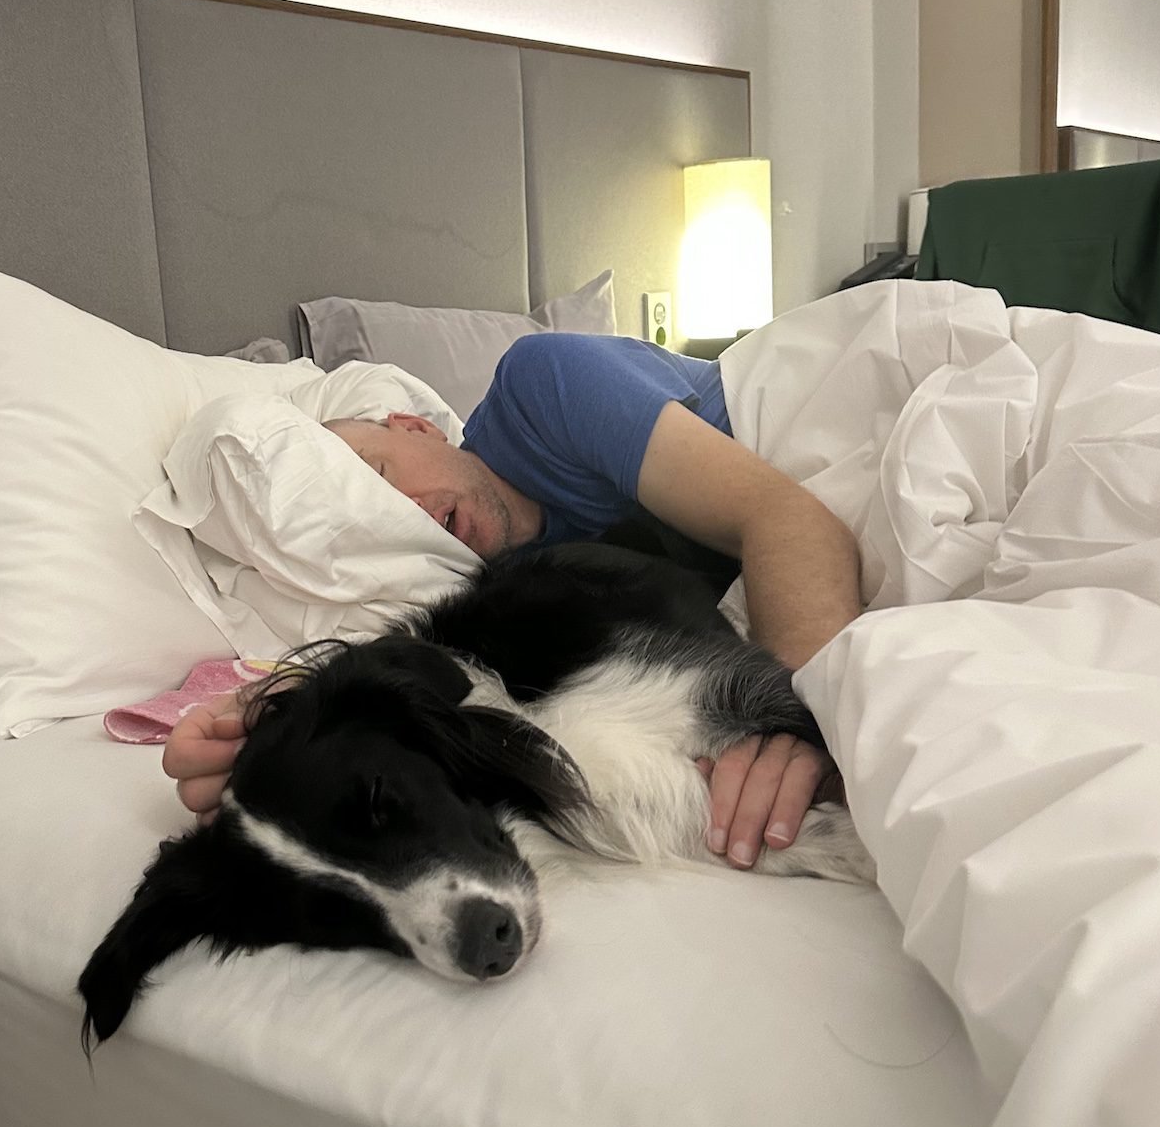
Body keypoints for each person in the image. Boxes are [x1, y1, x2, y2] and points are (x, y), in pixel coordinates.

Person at [165, 333, 862, 872]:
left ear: (416, 428)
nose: (406, 510)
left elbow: (789, 520)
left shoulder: (540, 391)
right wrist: (271, 719)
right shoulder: (501, 596)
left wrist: (812, 723)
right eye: (377, 517)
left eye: (380, 475)